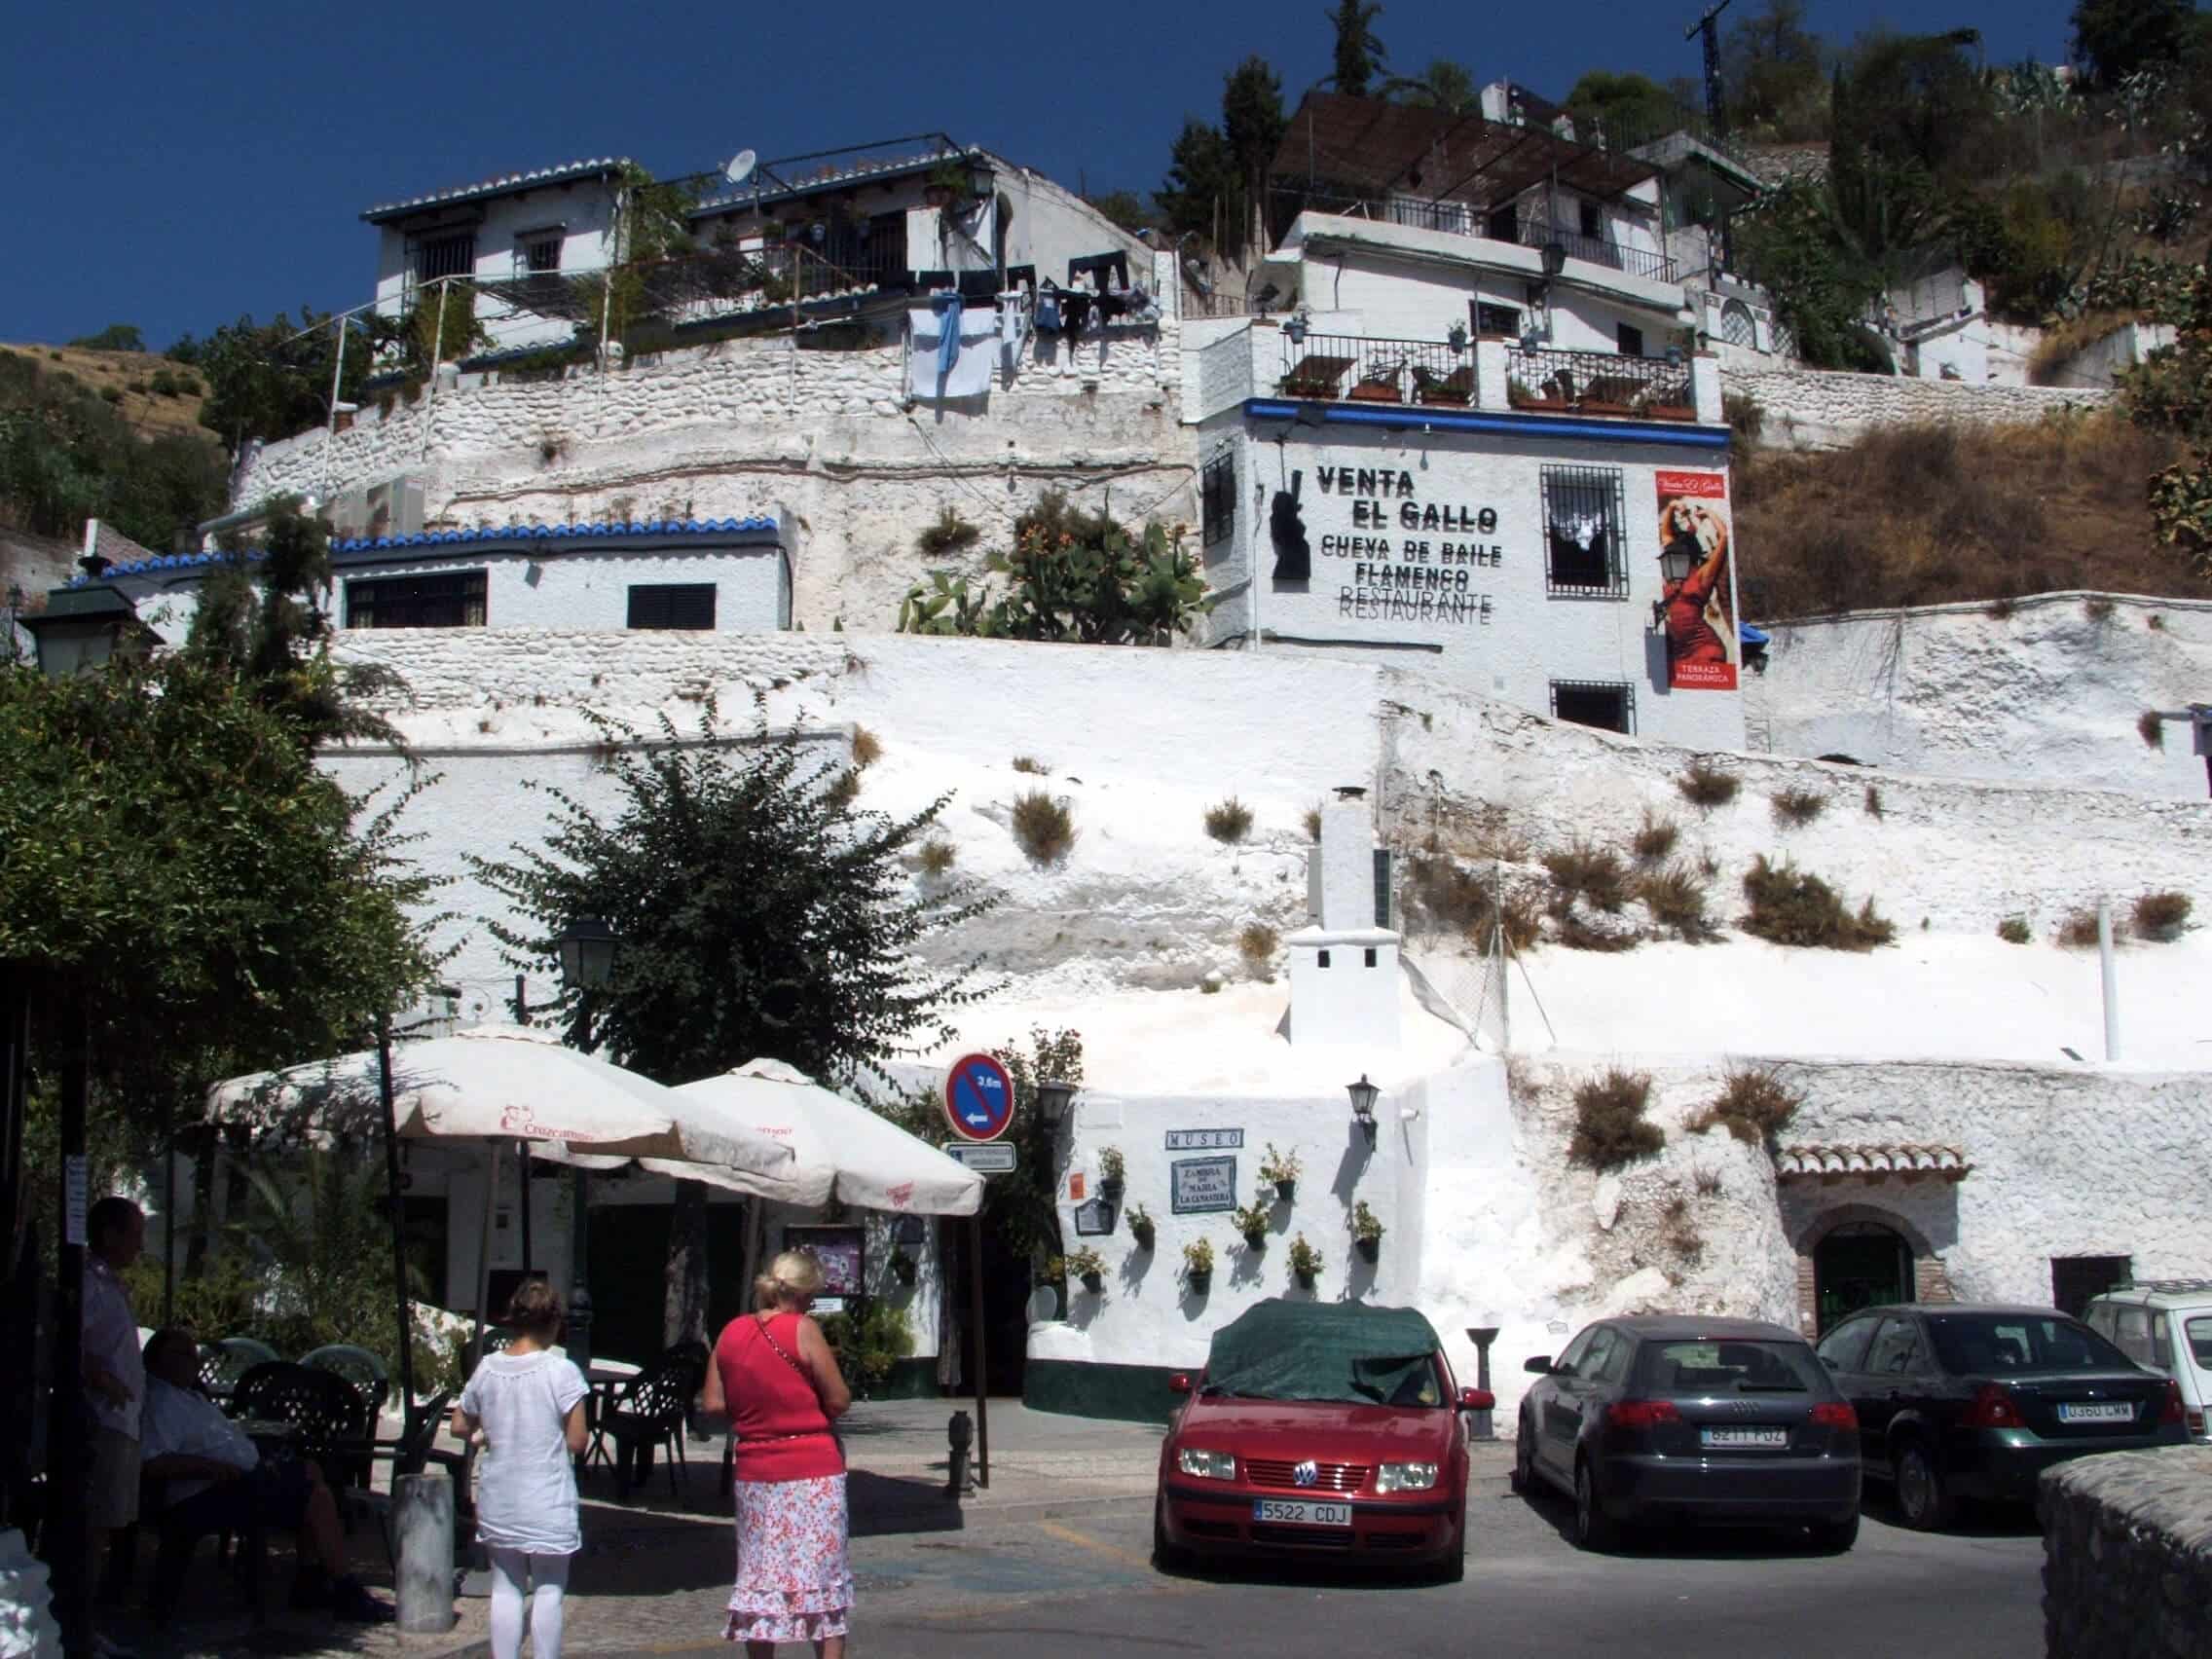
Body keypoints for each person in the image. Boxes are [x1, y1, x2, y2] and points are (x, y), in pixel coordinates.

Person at [137, 1328, 391, 1621]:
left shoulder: (189, 1396)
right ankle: (345, 1590)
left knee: (312, 1470)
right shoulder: (161, 1401)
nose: (192, 1361)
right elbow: (154, 1462)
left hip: (237, 1477)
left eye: (193, 1354)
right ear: (156, 1360)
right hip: (206, 1491)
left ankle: (309, 1579)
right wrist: (214, 1467)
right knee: (315, 1494)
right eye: (181, 1354)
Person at [701, 1250, 854, 1658]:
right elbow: (839, 1398)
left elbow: (713, 1404)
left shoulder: (731, 1332)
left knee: (760, 1579)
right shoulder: (803, 1329)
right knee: (822, 1583)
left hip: (755, 1471)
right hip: (812, 1470)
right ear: (804, 1293)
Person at [454, 1279, 589, 1659]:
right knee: (548, 1589)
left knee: (506, 1587)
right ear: (554, 1323)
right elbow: (578, 1441)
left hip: (500, 1494)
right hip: (545, 1495)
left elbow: (460, 1424)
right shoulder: (561, 1371)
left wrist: (485, 1436)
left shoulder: (488, 1368)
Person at [82, 1197, 144, 1623]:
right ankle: (79, 1620)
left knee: (105, 1528)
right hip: (102, 1418)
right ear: (110, 1235)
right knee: (92, 1528)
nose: (139, 1247)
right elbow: (68, 1341)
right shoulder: (89, 1284)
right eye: (134, 1236)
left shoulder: (111, 1285)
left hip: (122, 1420)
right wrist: (105, 1382)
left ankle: (87, 1619)